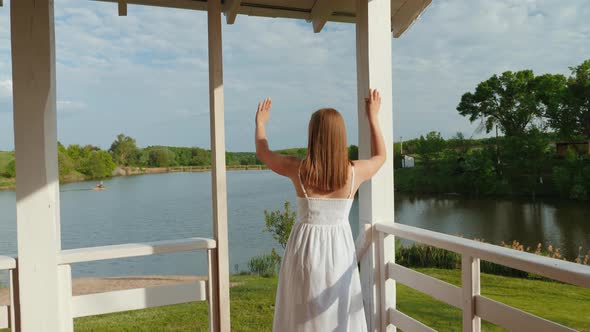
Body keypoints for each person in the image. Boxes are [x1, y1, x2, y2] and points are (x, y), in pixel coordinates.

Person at [255, 89, 386, 331]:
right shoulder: (354, 172)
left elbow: (263, 153)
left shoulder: (299, 170)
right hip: (339, 251)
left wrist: (261, 124)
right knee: (337, 312)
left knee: (301, 313)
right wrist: (373, 117)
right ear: (341, 137)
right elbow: (381, 156)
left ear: (313, 136)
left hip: (304, 251)